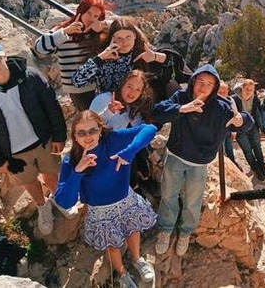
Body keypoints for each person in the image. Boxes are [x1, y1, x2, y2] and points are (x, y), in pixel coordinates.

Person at [152, 64, 253, 256]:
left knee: (193, 201)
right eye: (200, 82)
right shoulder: (182, 98)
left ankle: (185, 233)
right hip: (175, 156)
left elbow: (246, 122)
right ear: (193, 82)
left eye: (209, 83)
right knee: (168, 195)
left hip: (199, 163)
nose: (203, 87)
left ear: (215, 86)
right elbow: (158, 111)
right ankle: (165, 230)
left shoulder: (221, 108)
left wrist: (241, 121)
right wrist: (182, 109)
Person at [0, 39, 68, 235]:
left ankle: (61, 198)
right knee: (29, 180)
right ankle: (42, 205)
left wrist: (59, 136)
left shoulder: (30, 77)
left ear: (5, 57)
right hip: (13, 151)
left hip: (43, 139)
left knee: (51, 173)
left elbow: (52, 107)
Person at [54, 111, 158, 288]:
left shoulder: (113, 140)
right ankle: (122, 274)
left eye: (92, 130)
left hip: (126, 200)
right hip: (101, 212)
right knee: (112, 246)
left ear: (100, 130)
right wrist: (78, 171)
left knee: (133, 229)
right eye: (81, 132)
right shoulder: (71, 160)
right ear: (75, 136)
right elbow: (64, 201)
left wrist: (130, 152)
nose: (88, 137)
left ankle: (137, 259)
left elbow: (150, 129)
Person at [72, 17, 188, 101]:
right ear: (112, 39)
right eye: (119, 38)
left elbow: (176, 63)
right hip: (111, 107)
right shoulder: (103, 57)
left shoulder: (142, 50)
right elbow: (77, 81)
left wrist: (155, 56)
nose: (124, 42)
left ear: (134, 36)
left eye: (128, 37)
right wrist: (101, 58)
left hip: (138, 105)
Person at [34, 0, 111, 110]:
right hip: (78, 90)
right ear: (81, 11)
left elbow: (122, 30)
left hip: (101, 85)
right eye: (88, 13)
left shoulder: (98, 31)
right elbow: (39, 48)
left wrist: (103, 29)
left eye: (96, 16)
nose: (91, 18)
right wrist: (64, 32)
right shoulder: (64, 30)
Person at [89, 70, 157, 198]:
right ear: (122, 84)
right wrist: (108, 111)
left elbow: (138, 126)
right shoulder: (103, 99)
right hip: (100, 148)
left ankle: (140, 182)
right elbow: (89, 127)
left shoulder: (132, 106)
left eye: (137, 89)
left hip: (117, 146)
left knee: (137, 151)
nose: (132, 93)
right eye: (130, 87)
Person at [232, 78, 265, 180]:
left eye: (251, 89)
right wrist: (233, 130)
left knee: (257, 146)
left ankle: (262, 167)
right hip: (240, 128)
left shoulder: (255, 99)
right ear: (242, 88)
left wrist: (262, 128)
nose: (249, 91)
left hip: (252, 126)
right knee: (247, 150)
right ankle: (256, 169)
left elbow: (258, 113)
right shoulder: (234, 100)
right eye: (247, 89)